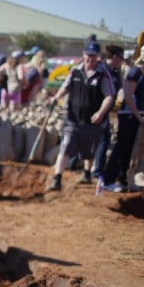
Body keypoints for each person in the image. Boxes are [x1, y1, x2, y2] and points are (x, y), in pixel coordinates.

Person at [46, 41, 115, 191]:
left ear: (98, 57)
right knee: (65, 147)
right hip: (73, 118)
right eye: (88, 55)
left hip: (92, 121)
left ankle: (87, 172)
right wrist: (57, 97)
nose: (90, 58)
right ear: (83, 55)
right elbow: (65, 86)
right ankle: (57, 179)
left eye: (93, 56)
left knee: (88, 150)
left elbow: (109, 96)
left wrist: (100, 113)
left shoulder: (103, 74)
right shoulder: (75, 71)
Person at [102, 42, 144, 192]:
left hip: (139, 114)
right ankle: (107, 180)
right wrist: (138, 116)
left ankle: (124, 180)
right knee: (121, 147)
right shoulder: (135, 72)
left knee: (132, 149)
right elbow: (128, 96)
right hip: (128, 114)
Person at [91, 44, 124, 180]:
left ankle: (80, 165)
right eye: (121, 58)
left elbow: (121, 86)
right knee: (102, 141)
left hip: (105, 111)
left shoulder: (114, 72)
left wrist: (120, 71)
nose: (122, 61)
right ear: (115, 57)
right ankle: (96, 171)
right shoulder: (103, 70)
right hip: (98, 109)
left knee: (102, 140)